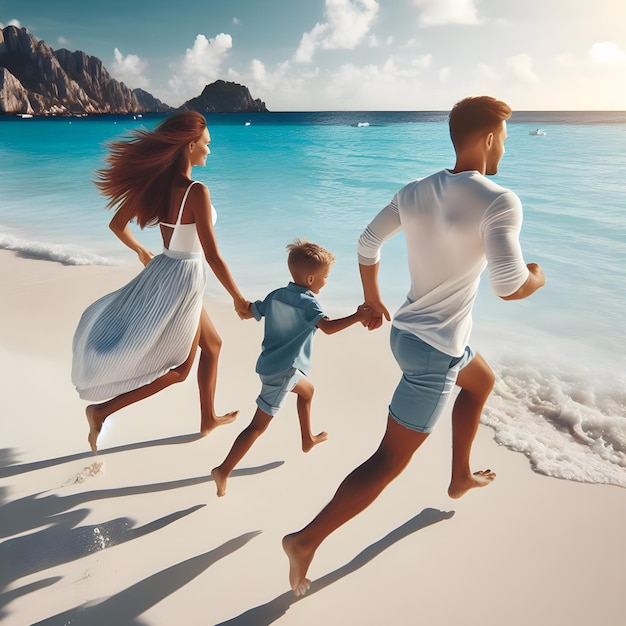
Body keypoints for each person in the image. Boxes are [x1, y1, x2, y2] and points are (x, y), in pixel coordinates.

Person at [282, 96, 546, 596]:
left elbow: (366, 243)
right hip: (434, 354)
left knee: (481, 380)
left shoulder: (416, 190)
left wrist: (372, 300)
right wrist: (537, 275)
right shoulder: (499, 200)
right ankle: (305, 540)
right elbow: (509, 285)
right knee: (388, 462)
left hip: (409, 335)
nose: (506, 147)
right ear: (490, 137)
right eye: (505, 137)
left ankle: (460, 476)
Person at [71, 111, 249, 451]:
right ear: (190, 145)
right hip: (184, 281)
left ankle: (207, 417)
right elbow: (211, 256)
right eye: (206, 144)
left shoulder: (158, 186)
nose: (210, 151)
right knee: (182, 369)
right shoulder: (196, 190)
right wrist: (238, 299)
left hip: (166, 271)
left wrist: (141, 251)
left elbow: (116, 224)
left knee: (212, 346)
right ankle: (101, 411)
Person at [211, 239, 370, 497]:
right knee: (257, 427)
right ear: (310, 279)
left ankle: (307, 439)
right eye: (325, 277)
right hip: (283, 372)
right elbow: (328, 328)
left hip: (272, 365)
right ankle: (224, 469)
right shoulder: (309, 304)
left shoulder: (276, 296)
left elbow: (248, 312)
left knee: (307, 392)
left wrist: (240, 303)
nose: (326, 282)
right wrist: (358, 316)